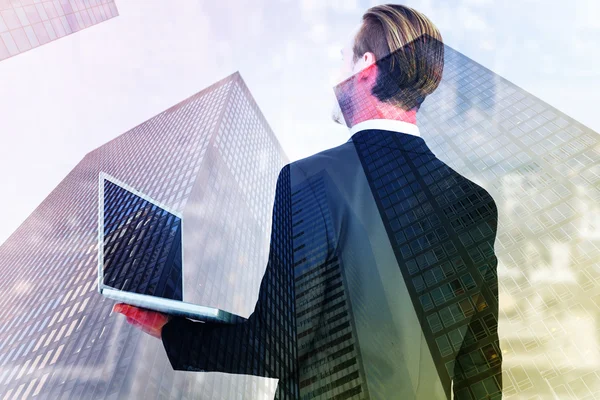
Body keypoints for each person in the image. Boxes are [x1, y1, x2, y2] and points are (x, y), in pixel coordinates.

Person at [114, 4, 502, 399]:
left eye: (342, 61)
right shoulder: (475, 203)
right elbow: (480, 371)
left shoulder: (308, 182)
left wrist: (170, 329)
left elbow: (275, 348)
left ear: (365, 67)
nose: (335, 77)